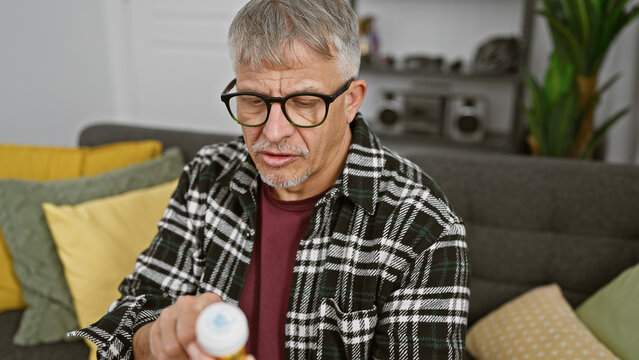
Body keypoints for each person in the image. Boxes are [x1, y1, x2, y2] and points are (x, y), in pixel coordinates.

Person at [70, 0, 470, 359]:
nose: (272, 132)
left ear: (350, 101)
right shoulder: (208, 175)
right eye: (253, 100)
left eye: (304, 102)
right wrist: (155, 339)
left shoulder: (425, 225)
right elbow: (130, 319)